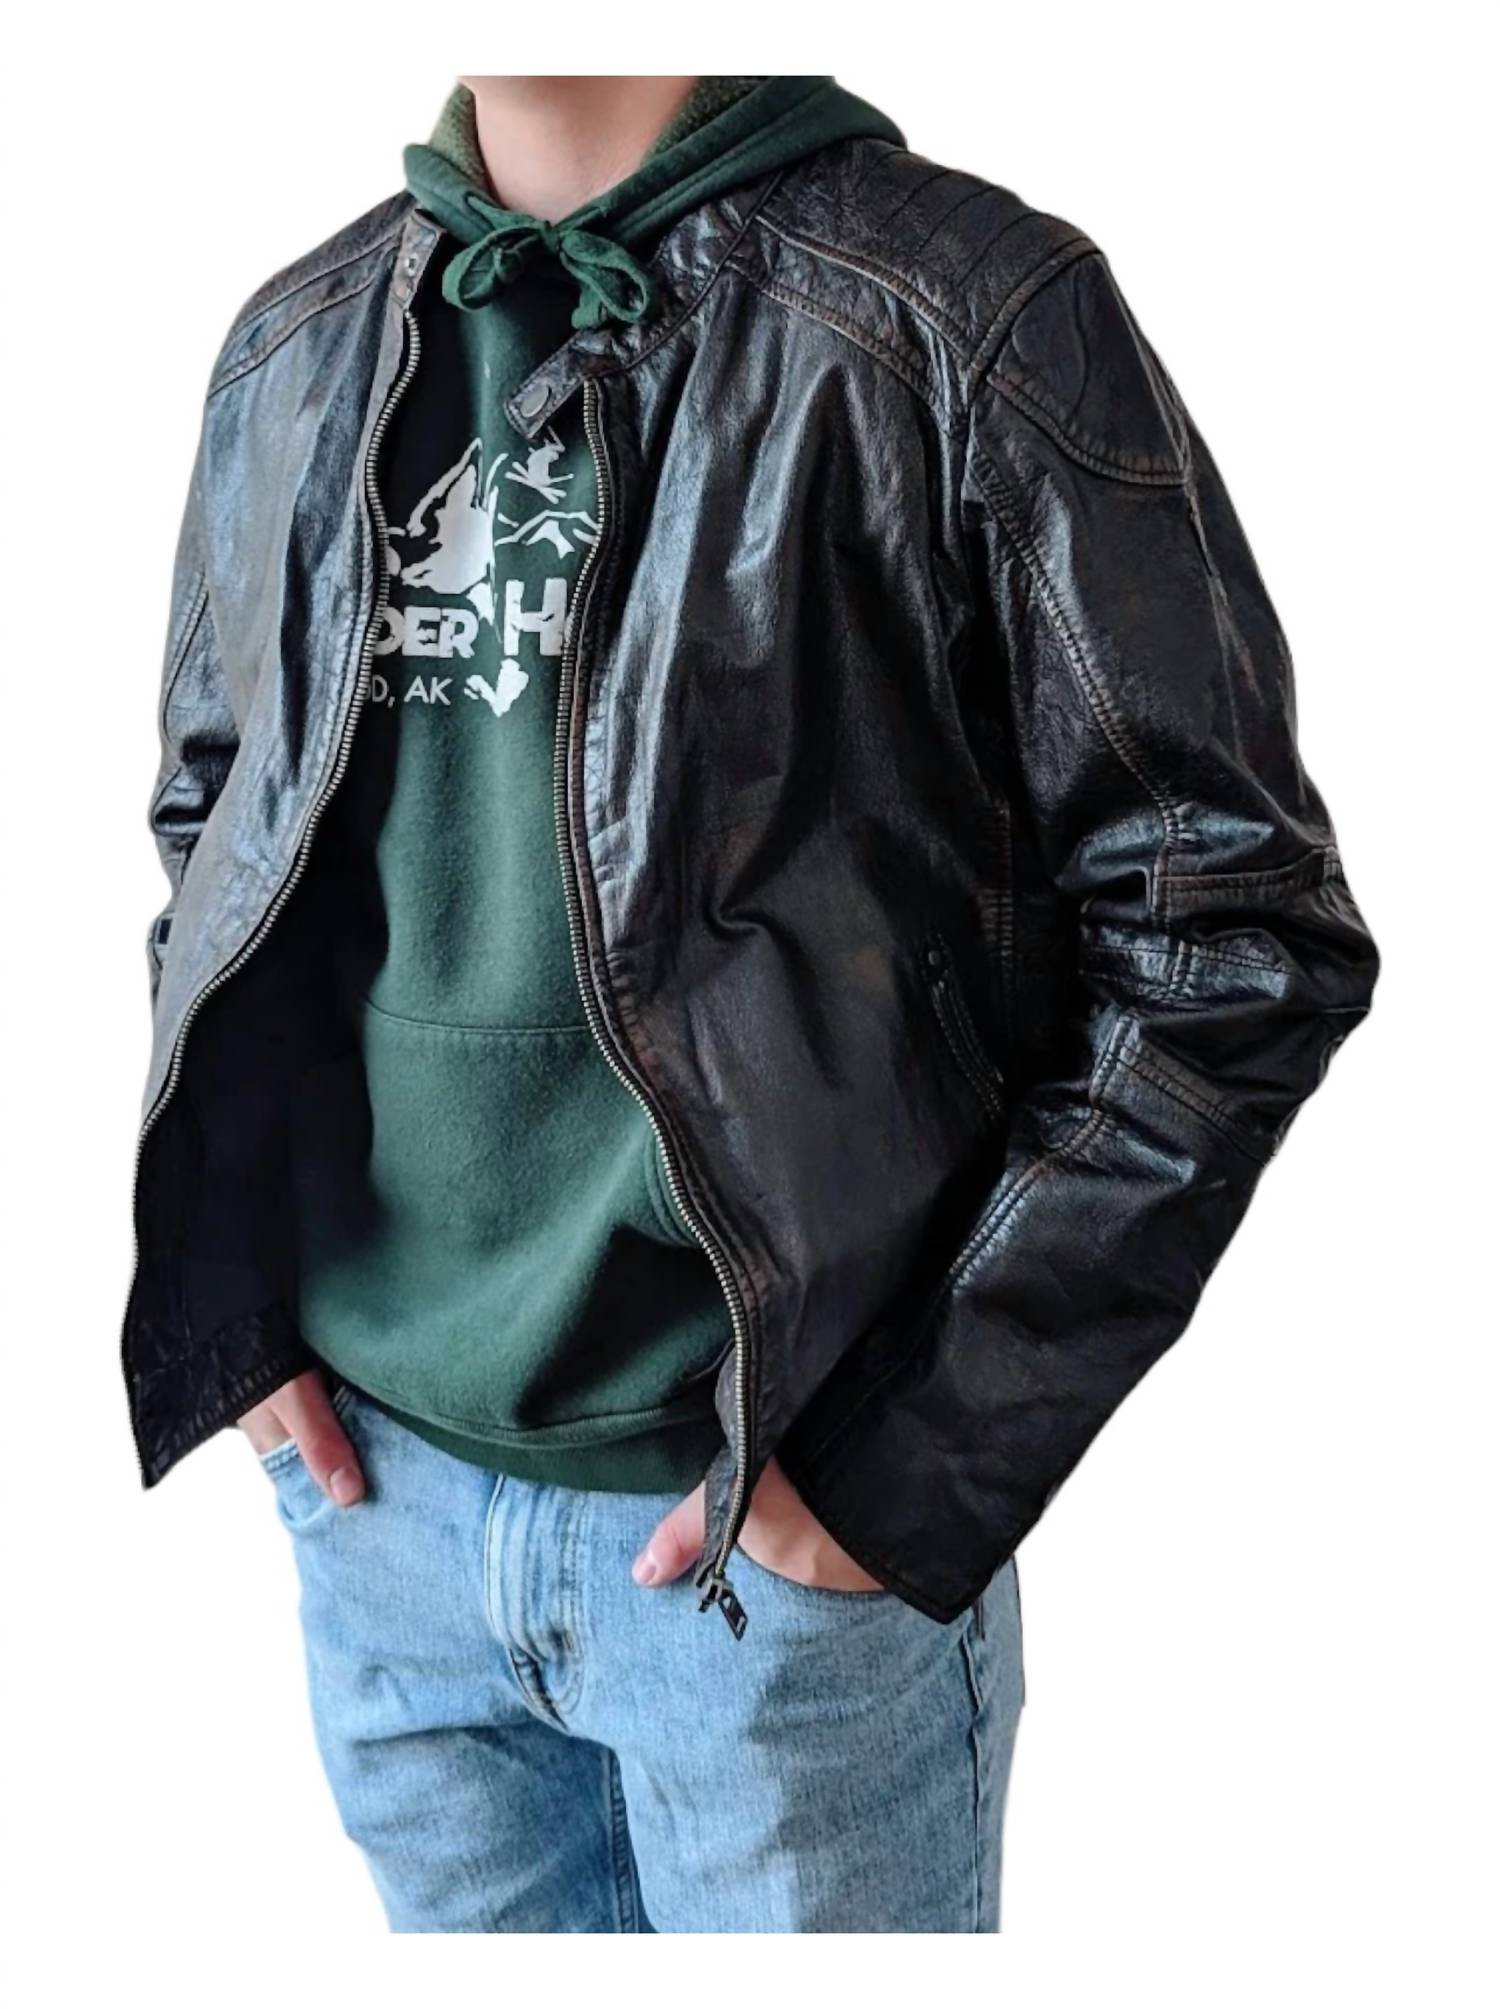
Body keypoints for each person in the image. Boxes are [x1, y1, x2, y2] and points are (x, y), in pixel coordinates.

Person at [126, 73, 1379, 1934]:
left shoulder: (962, 317)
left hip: (768, 1569)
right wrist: (242, 1326)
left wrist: (903, 1468)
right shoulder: (296, 346)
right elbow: (214, 829)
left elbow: (1233, 929)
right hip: (383, 1521)